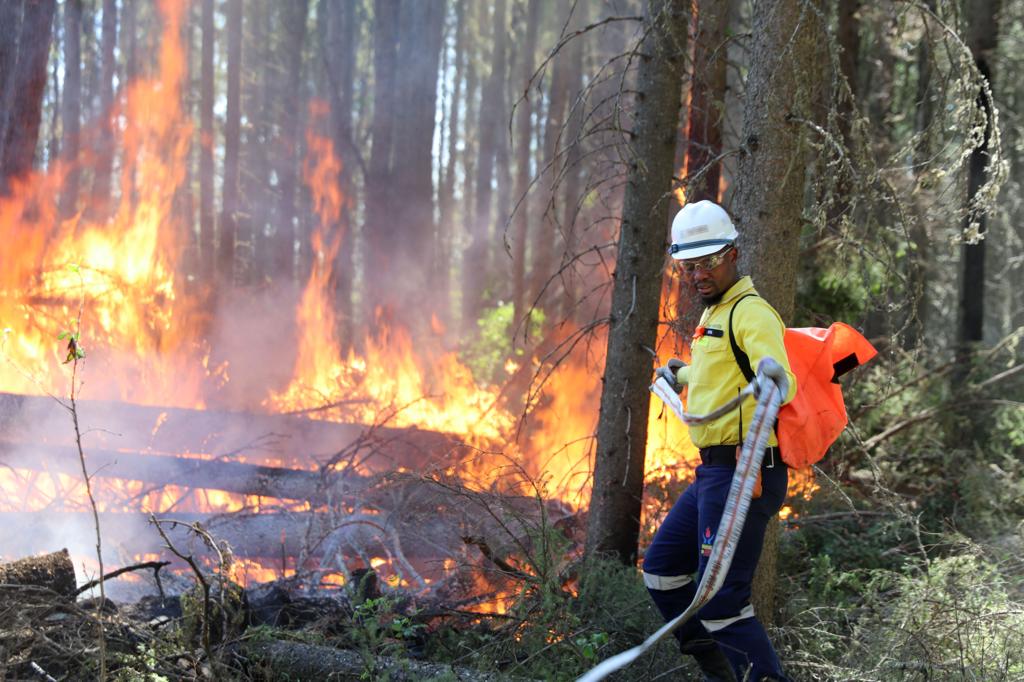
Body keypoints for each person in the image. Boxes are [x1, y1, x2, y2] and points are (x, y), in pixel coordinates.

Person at [643, 200, 796, 682]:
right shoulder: (717, 313)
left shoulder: (751, 312)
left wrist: (774, 377)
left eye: (708, 260)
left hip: (743, 472)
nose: (698, 274)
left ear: (732, 253)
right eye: (689, 265)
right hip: (714, 472)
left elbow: (780, 375)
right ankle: (722, 674)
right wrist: (682, 374)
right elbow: (724, 371)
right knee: (662, 571)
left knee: (722, 602)